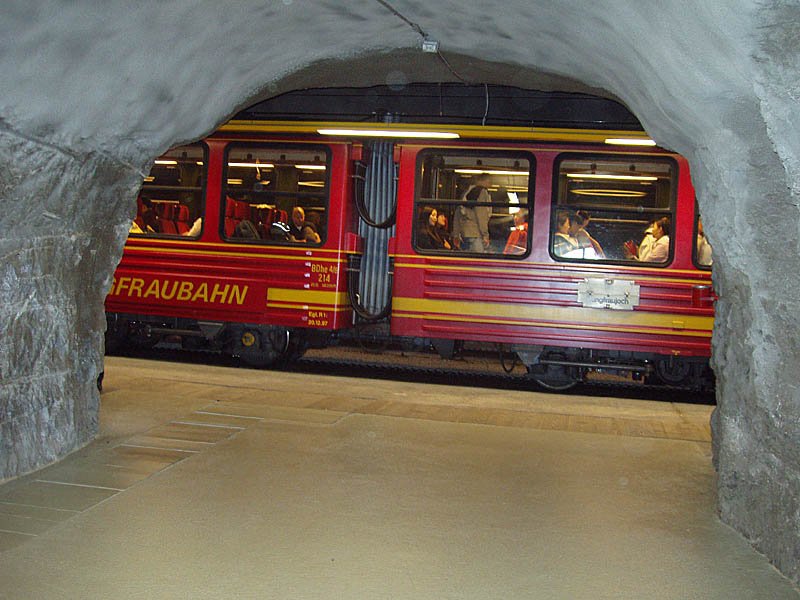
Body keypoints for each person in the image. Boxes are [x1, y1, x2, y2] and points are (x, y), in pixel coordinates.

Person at [452, 173, 491, 253]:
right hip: (475, 233)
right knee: (478, 261)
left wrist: (456, 234)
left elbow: (457, 214)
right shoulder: (482, 192)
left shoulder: (467, 192)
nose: (491, 184)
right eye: (489, 181)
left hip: (464, 234)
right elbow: (481, 215)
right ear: (484, 181)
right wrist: (485, 235)